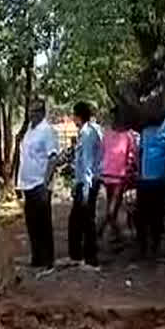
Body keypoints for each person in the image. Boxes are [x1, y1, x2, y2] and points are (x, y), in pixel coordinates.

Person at [16, 98, 60, 271]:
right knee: (31, 223)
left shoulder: (46, 131)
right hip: (27, 184)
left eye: (34, 112)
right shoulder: (29, 131)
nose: (31, 114)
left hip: (40, 185)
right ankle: (37, 257)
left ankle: (48, 259)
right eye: (29, 111)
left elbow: (53, 158)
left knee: (44, 223)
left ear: (42, 112)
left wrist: (45, 182)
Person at [66, 101, 103, 269]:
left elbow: (88, 162)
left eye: (74, 114)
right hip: (83, 182)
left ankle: (91, 259)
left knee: (87, 221)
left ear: (78, 116)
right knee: (76, 221)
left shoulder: (88, 134)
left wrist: (86, 189)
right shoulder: (86, 132)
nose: (72, 118)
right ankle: (77, 256)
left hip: (88, 183)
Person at [137, 112, 165, 260]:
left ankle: (155, 247)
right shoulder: (143, 124)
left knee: (157, 215)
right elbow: (139, 150)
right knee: (142, 216)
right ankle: (142, 248)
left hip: (160, 178)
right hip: (143, 178)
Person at [99, 108, 138, 249]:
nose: (115, 120)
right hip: (107, 176)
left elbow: (133, 155)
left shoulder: (128, 135)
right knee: (112, 209)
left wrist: (130, 169)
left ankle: (101, 233)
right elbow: (102, 153)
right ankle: (116, 236)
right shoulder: (107, 134)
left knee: (111, 209)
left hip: (120, 177)